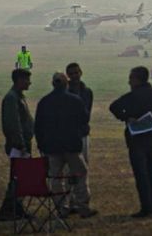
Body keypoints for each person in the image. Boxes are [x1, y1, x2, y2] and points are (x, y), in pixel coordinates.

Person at [109, 66, 152, 218]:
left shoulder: (133, 96)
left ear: (136, 79)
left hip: (137, 140)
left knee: (141, 175)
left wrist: (126, 117)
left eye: (131, 78)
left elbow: (113, 107)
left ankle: (146, 207)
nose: (129, 82)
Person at [34, 72, 96, 219]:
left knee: (56, 178)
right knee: (80, 173)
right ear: (66, 83)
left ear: (52, 84)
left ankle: (62, 208)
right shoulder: (75, 100)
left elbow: (38, 126)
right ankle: (83, 206)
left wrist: (41, 144)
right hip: (71, 146)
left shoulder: (44, 101)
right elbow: (84, 119)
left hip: (51, 148)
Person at [0, 68, 34, 222]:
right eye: (26, 80)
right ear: (19, 80)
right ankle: (8, 210)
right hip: (19, 146)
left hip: (22, 145)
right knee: (17, 179)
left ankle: (16, 209)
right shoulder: (12, 98)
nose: (29, 83)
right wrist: (20, 144)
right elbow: (13, 124)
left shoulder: (18, 97)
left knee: (22, 178)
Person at [63, 62, 96, 216]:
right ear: (68, 75)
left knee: (83, 167)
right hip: (69, 135)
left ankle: (78, 201)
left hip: (82, 134)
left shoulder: (87, 91)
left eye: (77, 72)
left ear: (81, 72)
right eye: (72, 73)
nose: (75, 76)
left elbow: (86, 114)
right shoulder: (65, 92)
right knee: (69, 170)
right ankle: (69, 202)